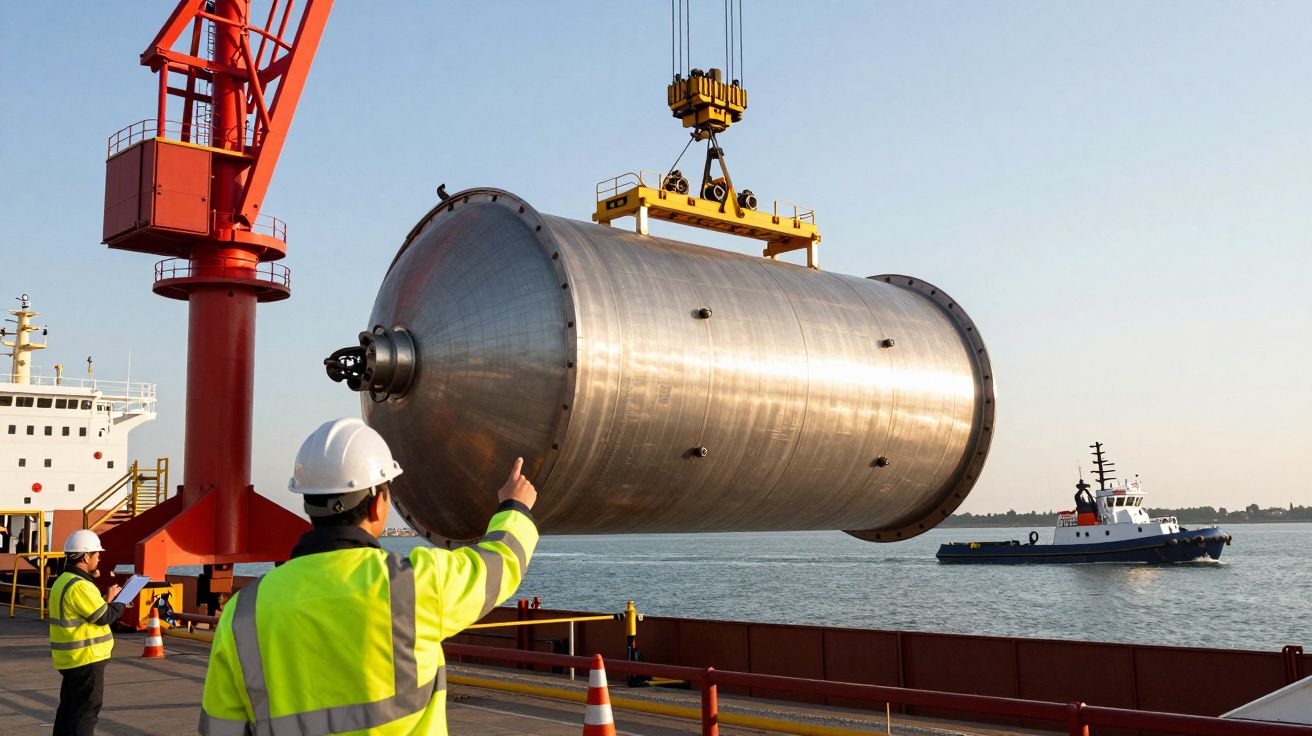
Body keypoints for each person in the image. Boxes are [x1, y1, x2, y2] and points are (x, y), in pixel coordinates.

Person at [199, 418, 538, 735]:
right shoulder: (415, 587)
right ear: (378, 505)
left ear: (308, 504)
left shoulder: (242, 613)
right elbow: (500, 563)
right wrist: (514, 508)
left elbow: (220, 728)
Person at [49, 529, 126, 736]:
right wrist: (121, 602)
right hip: (87, 659)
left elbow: (87, 612)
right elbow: (104, 617)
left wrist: (106, 598)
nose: (99, 558)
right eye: (97, 554)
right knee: (86, 713)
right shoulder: (80, 586)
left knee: (68, 711)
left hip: (71, 659)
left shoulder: (63, 581)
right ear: (85, 556)